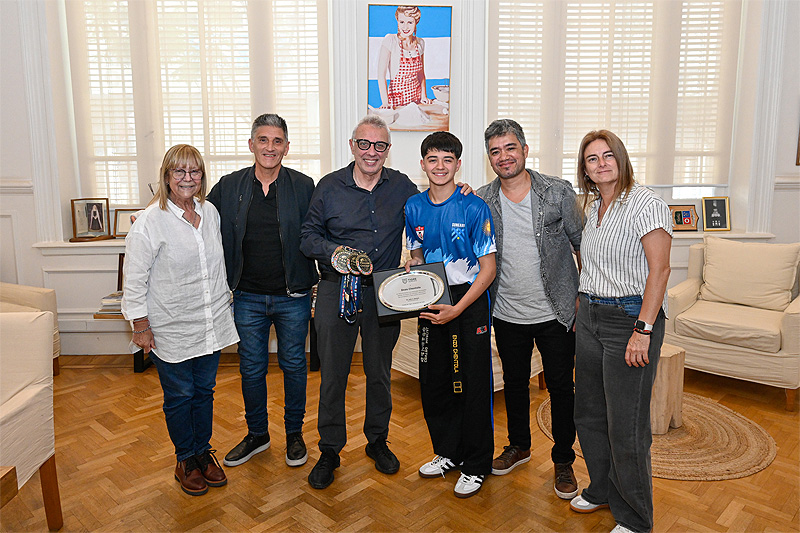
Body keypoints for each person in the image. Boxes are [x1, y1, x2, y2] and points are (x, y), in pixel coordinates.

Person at [299, 115, 417, 489]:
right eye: (364, 144)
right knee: (333, 373)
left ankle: (377, 441)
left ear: (387, 150)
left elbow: (430, 211)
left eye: (379, 145)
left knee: (379, 373)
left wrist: (461, 192)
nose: (371, 152)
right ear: (352, 145)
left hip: (384, 291)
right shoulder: (329, 186)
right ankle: (330, 450)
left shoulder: (402, 186)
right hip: (337, 290)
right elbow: (307, 236)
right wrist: (334, 253)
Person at [121, 144, 239, 496]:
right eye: (179, 172)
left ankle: (203, 454)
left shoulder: (211, 212)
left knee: (204, 392)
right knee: (180, 395)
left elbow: (215, 268)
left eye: (195, 171)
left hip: (210, 322)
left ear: (202, 176)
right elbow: (135, 279)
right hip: (169, 326)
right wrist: (140, 326)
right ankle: (184, 458)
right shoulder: (150, 222)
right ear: (167, 176)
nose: (188, 178)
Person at [570, 130, 672, 533]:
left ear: (621, 158)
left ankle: (635, 518)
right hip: (591, 317)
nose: (601, 164)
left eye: (608, 155)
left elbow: (660, 270)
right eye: (592, 159)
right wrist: (582, 305)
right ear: (586, 170)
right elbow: (591, 265)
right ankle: (601, 489)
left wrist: (642, 330)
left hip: (631, 320)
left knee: (626, 425)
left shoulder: (645, 203)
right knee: (590, 413)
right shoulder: (593, 207)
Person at [476, 119, 583, 499]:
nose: (503, 157)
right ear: (489, 156)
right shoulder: (482, 199)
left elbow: (582, 243)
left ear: (524, 149)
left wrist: (581, 296)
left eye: (510, 148)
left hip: (557, 312)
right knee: (515, 384)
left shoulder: (557, 192)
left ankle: (563, 460)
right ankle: (519, 445)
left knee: (561, 388)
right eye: (495, 151)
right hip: (506, 312)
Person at [206, 114, 318, 469]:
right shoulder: (229, 185)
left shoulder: (303, 186)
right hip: (247, 297)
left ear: (287, 146)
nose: (270, 147)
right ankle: (257, 434)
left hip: (293, 296)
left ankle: (294, 434)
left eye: (277, 141)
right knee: (251, 369)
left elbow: (322, 226)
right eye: (263, 140)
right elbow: (196, 211)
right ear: (251, 144)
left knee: (294, 365)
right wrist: (152, 213)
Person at [405, 132, 496, 498]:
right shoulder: (412, 205)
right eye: (433, 159)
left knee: (472, 383)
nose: (439, 166)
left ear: (458, 165)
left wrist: (458, 309)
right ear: (423, 164)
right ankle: (448, 452)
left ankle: (476, 465)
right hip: (431, 293)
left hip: (468, 300)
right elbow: (415, 255)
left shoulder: (473, 206)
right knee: (435, 379)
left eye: (447, 160)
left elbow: (488, 268)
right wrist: (411, 269)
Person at [376, 6, 431, 109]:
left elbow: (421, 73)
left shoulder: (420, 43)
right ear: (397, 21)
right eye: (402, 22)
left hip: (417, 99)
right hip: (397, 100)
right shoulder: (390, 41)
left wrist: (424, 95)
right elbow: (381, 75)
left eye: (410, 22)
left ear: (416, 23)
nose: (405, 27)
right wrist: (385, 103)